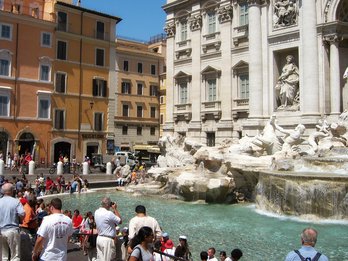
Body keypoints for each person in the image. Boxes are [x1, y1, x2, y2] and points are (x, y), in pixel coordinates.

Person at [0, 183, 25, 261]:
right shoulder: (16, 202)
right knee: (15, 256)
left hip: (1, 231)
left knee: (4, 256)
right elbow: (22, 214)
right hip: (12, 229)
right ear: (12, 191)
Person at [94, 196, 122, 261]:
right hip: (107, 240)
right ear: (107, 204)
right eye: (109, 204)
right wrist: (115, 209)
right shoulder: (109, 213)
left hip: (99, 238)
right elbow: (120, 221)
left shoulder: (96, 212)